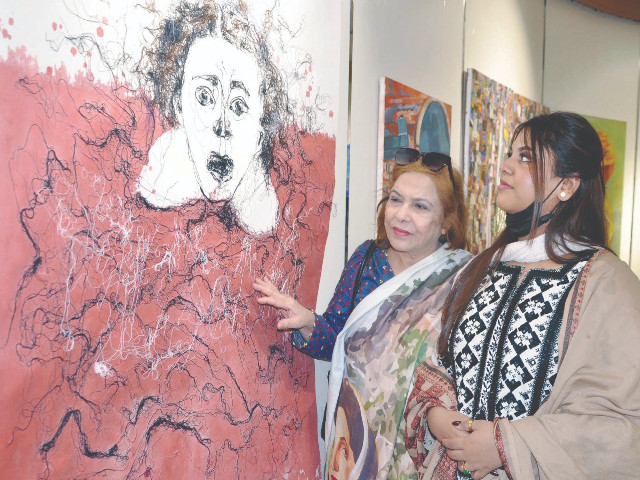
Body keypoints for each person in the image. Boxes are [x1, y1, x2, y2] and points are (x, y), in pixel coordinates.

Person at [405, 112, 640, 480]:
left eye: (526, 157)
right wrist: (436, 414)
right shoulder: (481, 267)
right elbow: (440, 362)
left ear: (566, 185)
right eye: (510, 154)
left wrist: (505, 445)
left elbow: (620, 424)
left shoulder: (606, 283)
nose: (505, 166)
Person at [256, 149, 472, 478]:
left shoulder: (465, 280)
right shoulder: (367, 258)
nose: (400, 215)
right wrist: (306, 321)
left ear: (447, 222)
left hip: (420, 451)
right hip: (353, 446)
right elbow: (335, 342)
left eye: (420, 206)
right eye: (396, 200)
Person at [137, 1, 287, 234]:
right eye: (205, 97)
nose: (222, 125)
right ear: (179, 108)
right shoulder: (156, 189)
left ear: (259, 135)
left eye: (238, 107)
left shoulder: (264, 219)